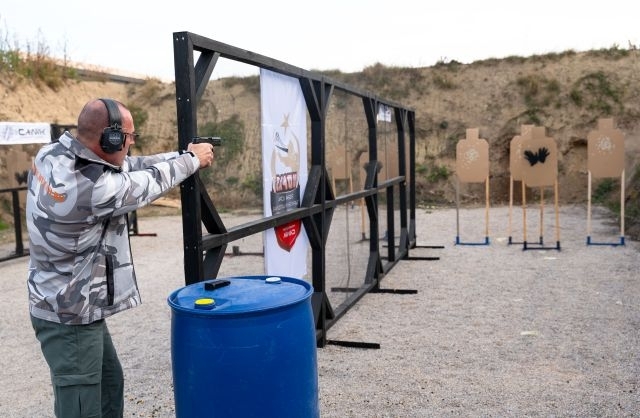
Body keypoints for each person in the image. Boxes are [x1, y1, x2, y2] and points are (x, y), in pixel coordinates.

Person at [26, 98, 214, 418]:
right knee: (83, 408)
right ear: (109, 139)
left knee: (110, 385)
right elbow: (147, 182)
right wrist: (192, 161)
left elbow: (130, 165)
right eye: (128, 137)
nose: (131, 144)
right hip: (70, 316)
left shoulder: (52, 154)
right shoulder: (92, 188)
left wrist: (183, 155)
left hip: (70, 303)